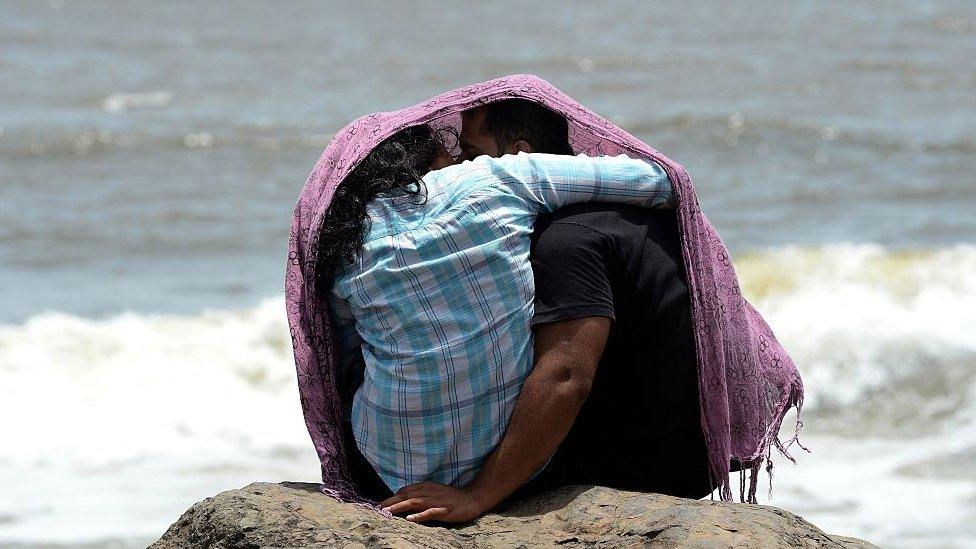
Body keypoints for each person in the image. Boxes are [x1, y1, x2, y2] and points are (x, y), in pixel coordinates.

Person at [320, 121, 675, 520]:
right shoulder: (495, 175)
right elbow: (659, 180)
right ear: (431, 159)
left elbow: (342, 355)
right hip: (516, 466)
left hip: (384, 468)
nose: (458, 159)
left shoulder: (345, 236)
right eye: (454, 153)